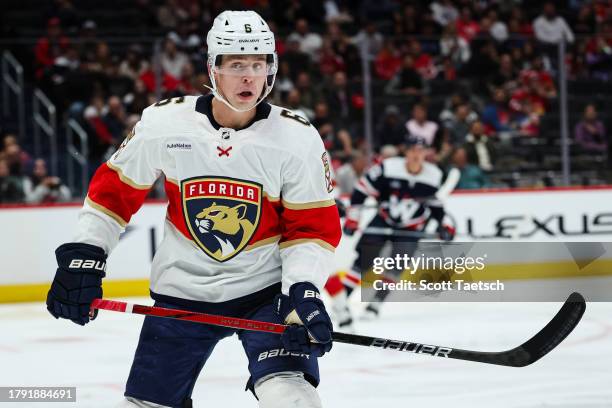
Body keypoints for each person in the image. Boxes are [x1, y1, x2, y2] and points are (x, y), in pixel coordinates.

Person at [46, 11, 341, 408]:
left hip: (264, 292)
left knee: (292, 398)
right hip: (182, 292)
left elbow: (312, 228)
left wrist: (302, 288)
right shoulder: (164, 123)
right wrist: (85, 254)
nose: (250, 77)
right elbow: (112, 194)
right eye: (237, 65)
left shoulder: (296, 138)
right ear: (213, 68)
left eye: (259, 64)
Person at [326, 136, 454, 327]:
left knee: (396, 265)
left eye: (421, 150)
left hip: (411, 226)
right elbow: (362, 189)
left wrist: (445, 226)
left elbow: (435, 205)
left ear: (426, 153)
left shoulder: (434, 174)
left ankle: (376, 303)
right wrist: (354, 217)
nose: (416, 155)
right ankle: (342, 304)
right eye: (412, 150)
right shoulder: (389, 167)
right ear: (406, 151)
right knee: (363, 261)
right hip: (384, 219)